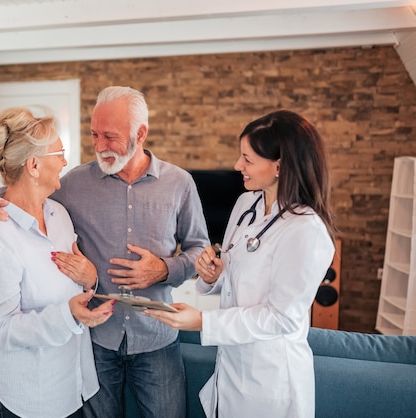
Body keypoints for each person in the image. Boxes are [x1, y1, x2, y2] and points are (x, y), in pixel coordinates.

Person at [0, 86, 210, 418]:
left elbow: (200, 249)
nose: (98, 145)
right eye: (94, 134)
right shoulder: (72, 185)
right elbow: (22, 198)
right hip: (95, 342)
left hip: (156, 338)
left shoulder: (179, 183)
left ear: (140, 133)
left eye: (109, 136)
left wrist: (165, 270)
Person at [143, 109, 337, 418]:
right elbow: (235, 276)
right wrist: (213, 273)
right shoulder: (247, 204)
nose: (237, 166)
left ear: (279, 166)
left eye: (248, 159)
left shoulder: (306, 230)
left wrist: (203, 322)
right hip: (232, 368)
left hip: (271, 382)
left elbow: (282, 317)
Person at [0, 106, 115, 418]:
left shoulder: (58, 215)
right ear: (33, 165)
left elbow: (73, 281)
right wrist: (68, 316)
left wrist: (90, 280)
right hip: (18, 397)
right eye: (59, 152)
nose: (64, 161)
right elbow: (1, 329)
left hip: (67, 387)